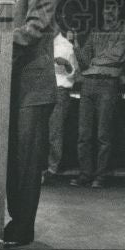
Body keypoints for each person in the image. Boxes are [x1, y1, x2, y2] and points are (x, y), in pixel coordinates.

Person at [0, 0, 59, 247]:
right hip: (11, 87)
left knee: (26, 163)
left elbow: (35, 28)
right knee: (13, 159)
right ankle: (15, 223)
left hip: (33, 89)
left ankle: (22, 228)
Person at [69, 0, 125, 188]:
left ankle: (100, 176)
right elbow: (85, 60)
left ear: (119, 11)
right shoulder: (96, 32)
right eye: (106, 8)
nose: (109, 12)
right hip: (88, 84)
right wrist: (76, 44)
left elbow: (117, 57)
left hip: (107, 85)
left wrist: (94, 62)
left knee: (103, 135)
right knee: (84, 134)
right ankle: (85, 174)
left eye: (113, 8)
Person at [44, 28, 79, 182]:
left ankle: (53, 169)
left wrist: (65, 64)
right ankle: (40, 167)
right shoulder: (42, 43)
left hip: (59, 91)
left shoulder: (66, 46)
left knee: (55, 131)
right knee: (41, 130)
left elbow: (74, 73)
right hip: (42, 89)